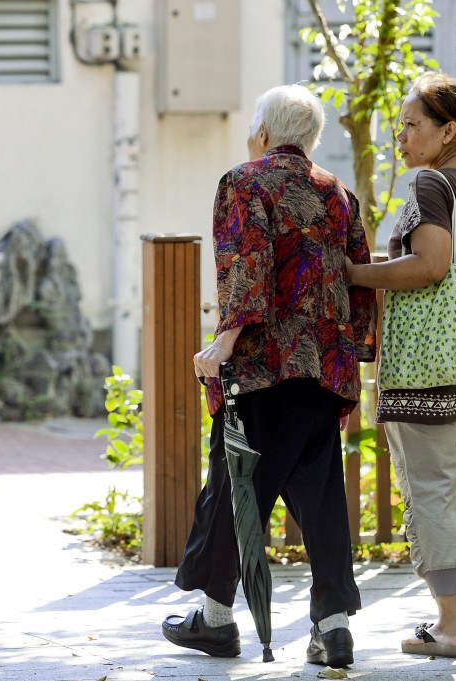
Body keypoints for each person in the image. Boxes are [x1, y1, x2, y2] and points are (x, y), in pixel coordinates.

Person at [160, 84, 378, 667]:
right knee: (321, 497)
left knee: (234, 490)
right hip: (322, 368)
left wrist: (224, 341)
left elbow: (248, 265)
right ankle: (333, 629)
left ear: (262, 132)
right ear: (310, 138)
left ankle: (214, 621)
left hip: (263, 365)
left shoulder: (245, 181)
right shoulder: (339, 195)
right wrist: (352, 357)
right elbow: (356, 279)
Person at [345, 71, 456, 658]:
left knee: (431, 486)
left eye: (411, 124)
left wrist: (351, 272)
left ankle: (448, 628)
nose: (401, 136)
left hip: (435, 360)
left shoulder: (431, 184)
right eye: (399, 124)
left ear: (450, 130)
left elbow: (431, 266)